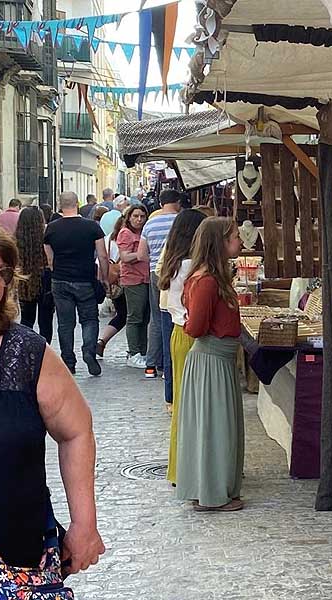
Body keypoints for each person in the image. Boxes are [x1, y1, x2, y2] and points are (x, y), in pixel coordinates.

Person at [0, 225, 104, 578]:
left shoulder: (26, 353)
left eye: (1, 274)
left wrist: (84, 524)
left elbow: (75, 430)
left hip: (19, 556)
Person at [176, 217, 244, 512]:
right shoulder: (206, 281)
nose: (240, 241)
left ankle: (213, 489)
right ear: (220, 242)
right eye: (235, 237)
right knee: (213, 429)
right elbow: (196, 326)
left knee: (216, 428)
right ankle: (211, 493)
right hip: (211, 359)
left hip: (218, 359)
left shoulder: (213, 278)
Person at [157, 209, 209, 481]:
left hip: (178, 333)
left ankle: (180, 467)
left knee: (182, 406)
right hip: (193, 336)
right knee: (197, 408)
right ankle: (194, 469)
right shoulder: (193, 267)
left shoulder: (173, 262)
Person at [44, 191, 109, 375]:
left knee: (65, 323)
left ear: (60, 204)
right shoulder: (91, 227)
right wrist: (104, 278)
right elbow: (102, 255)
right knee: (89, 319)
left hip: (60, 279)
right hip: (85, 279)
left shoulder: (51, 228)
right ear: (78, 203)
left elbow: (49, 258)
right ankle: (89, 351)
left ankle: (68, 361)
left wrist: (55, 270)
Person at [139, 190, 181, 379]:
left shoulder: (150, 223)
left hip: (156, 273)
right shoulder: (181, 221)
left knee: (156, 319)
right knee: (176, 318)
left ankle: (151, 365)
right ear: (177, 202)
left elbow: (141, 255)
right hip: (179, 273)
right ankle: (169, 366)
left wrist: (155, 262)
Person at [113, 205, 149, 368]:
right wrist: (141, 255)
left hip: (146, 278)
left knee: (145, 317)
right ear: (129, 217)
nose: (139, 220)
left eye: (142, 216)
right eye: (136, 216)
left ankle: (142, 350)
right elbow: (125, 257)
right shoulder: (125, 233)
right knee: (135, 316)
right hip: (133, 279)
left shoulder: (143, 232)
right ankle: (134, 352)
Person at [15, 206, 53, 343]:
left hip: (24, 277)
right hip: (45, 276)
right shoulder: (47, 236)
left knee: (26, 319)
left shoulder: (17, 239)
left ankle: (25, 349)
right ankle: (44, 350)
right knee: (46, 320)